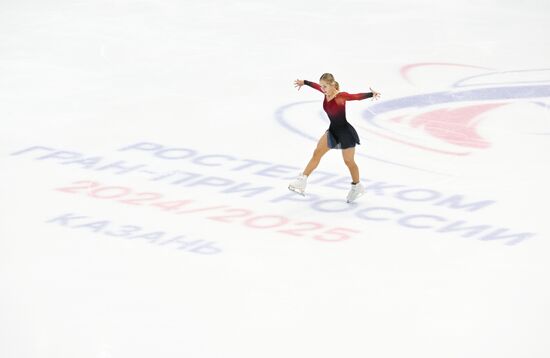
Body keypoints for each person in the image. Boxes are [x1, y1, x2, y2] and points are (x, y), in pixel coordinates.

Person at [288, 73, 381, 203]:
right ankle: (302, 180)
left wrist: (371, 94)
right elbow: (315, 86)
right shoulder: (325, 92)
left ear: (332, 85)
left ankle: (357, 186)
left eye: (325, 86)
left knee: (349, 162)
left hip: (346, 134)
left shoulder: (341, 97)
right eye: (321, 86)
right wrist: (304, 82)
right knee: (317, 153)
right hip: (332, 131)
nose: (322, 89)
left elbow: (356, 97)